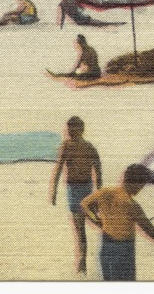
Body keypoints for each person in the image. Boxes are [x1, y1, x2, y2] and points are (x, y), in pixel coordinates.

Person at [80, 164, 154, 281]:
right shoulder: (132, 205)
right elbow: (153, 233)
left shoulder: (105, 192)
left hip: (106, 247)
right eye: (142, 185)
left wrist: (98, 222)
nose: (141, 189)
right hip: (124, 250)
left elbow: (84, 205)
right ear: (136, 183)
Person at [49, 116, 103, 275]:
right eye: (68, 129)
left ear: (80, 129)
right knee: (84, 226)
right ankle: (83, 262)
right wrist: (53, 191)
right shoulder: (71, 146)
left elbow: (98, 173)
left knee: (90, 224)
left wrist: (99, 196)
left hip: (83, 189)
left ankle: (84, 262)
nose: (69, 132)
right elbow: (58, 169)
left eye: (72, 129)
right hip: (78, 189)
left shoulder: (85, 147)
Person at [56, 0, 122, 28]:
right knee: (99, 23)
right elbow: (81, 9)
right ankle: (114, 23)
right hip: (81, 19)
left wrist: (61, 25)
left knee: (98, 23)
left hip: (79, 20)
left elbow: (63, 16)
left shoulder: (62, 4)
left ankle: (112, 23)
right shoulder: (71, 3)